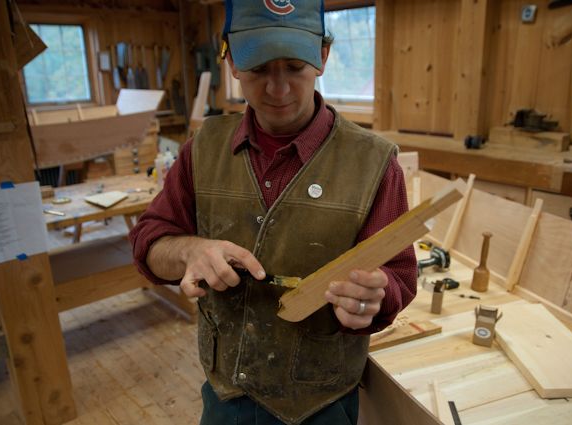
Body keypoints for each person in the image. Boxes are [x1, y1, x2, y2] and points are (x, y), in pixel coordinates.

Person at [129, 0, 417, 423]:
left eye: (295, 67)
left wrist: (375, 295)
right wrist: (189, 251)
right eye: (260, 68)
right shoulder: (203, 150)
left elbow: (400, 275)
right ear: (231, 60)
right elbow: (148, 242)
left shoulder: (374, 163)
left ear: (322, 56)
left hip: (322, 405)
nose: (278, 90)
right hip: (226, 396)